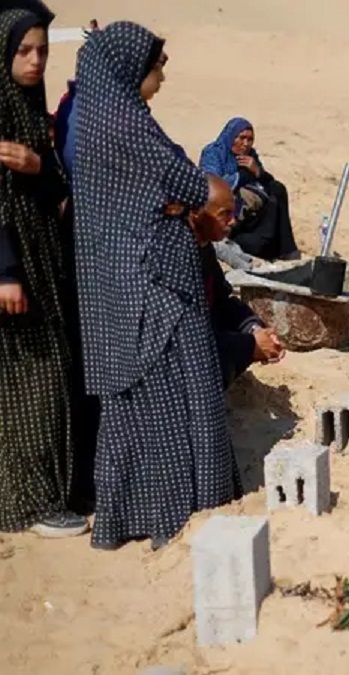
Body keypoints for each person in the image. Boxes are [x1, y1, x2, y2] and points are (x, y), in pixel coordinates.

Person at [72, 21, 241, 551]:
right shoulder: (122, 122)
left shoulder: (107, 117)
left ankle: (137, 516)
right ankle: (177, 514)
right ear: (129, 68)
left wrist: (177, 202)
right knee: (170, 397)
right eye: (157, 65)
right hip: (150, 285)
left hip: (130, 279)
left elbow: (179, 191)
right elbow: (190, 183)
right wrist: (180, 200)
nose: (163, 76)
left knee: (142, 406)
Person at [0, 2, 90, 538]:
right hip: (15, 268)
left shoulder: (29, 107)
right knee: (34, 379)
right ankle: (30, 503)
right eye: (24, 51)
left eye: (42, 51)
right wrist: (6, 270)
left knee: (49, 375)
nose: (35, 62)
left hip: (42, 261)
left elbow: (55, 188)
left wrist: (40, 168)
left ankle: (49, 490)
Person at [187, 175, 286, 388]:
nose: (232, 221)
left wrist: (255, 330)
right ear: (197, 214)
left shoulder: (204, 250)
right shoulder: (177, 260)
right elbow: (189, 337)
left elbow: (223, 300)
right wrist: (250, 346)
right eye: (225, 214)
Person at [198, 117, 299, 262]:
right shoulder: (213, 153)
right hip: (224, 211)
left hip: (252, 210)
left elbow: (267, 182)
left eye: (250, 139)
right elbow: (213, 184)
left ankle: (286, 249)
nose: (245, 144)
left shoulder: (250, 155)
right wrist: (242, 175)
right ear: (231, 136)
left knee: (277, 189)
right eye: (241, 138)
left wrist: (257, 171)